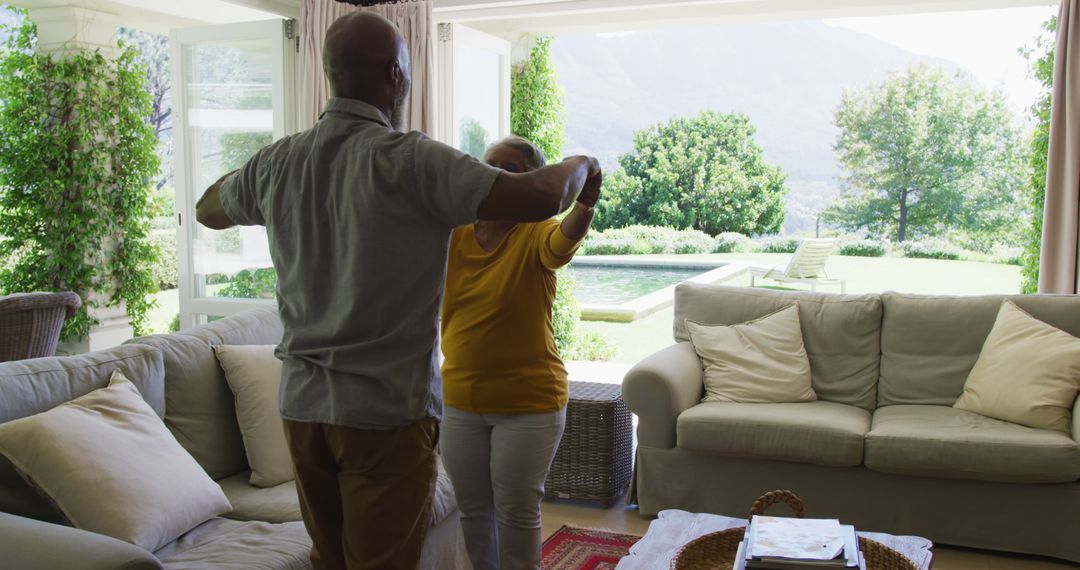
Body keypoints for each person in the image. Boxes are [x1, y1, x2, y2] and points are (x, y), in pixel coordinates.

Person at [193, 12, 601, 570]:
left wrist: (265, 183)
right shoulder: (410, 160)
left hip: (304, 408)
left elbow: (207, 209)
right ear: (395, 75)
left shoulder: (278, 161)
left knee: (330, 561)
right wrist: (583, 164)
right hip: (385, 414)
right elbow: (542, 194)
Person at [439, 136, 600, 570]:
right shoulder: (454, 234)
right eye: (490, 165)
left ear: (531, 180)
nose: (497, 174)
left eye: (510, 168)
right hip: (460, 401)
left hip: (527, 403)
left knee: (515, 514)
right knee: (473, 514)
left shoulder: (536, 232)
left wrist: (583, 206)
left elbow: (562, 243)